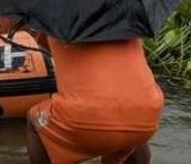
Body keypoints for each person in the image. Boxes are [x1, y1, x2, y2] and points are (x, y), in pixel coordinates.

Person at [27, 32, 164, 164]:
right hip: (148, 115)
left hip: (85, 117)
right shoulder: (128, 23)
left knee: (33, 119)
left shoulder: (58, 23)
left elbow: (41, 48)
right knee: (132, 114)